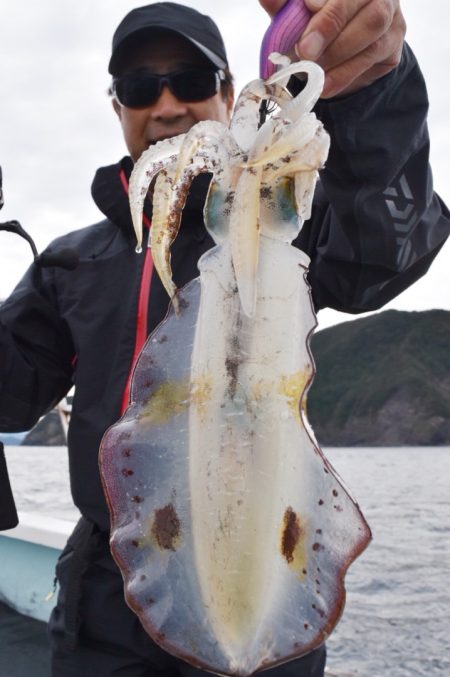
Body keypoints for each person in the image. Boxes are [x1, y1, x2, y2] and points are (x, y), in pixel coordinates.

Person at [0, 1, 449, 675]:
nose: (169, 103)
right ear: (115, 106)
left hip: (267, 563)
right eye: (140, 87)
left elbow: (383, 247)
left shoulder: (282, 230)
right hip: (107, 594)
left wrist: (374, 87)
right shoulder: (72, 264)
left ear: (228, 90)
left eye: (190, 78)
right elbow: (8, 393)